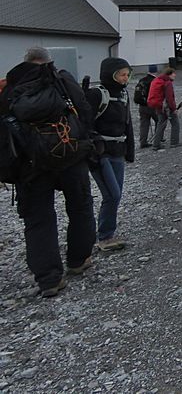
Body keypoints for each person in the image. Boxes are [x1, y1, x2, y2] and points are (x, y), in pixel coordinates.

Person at [0, 47, 96, 298]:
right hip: (69, 156)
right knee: (80, 207)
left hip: (31, 166)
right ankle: (78, 260)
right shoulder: (62, 81)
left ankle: (49, 279)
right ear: (48, 62)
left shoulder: (10, 88)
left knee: (38, 219)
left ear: (25, 62)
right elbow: (85, 113)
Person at [85, 57, 135, 252]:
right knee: (112, 194)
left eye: (127, 74)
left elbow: (128, 124)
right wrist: (94, 148)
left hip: (118, 151)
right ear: (110, 75)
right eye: (121, 74)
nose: (125, 78)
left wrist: (129, 151)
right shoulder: (97, 95)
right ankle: (104, 237)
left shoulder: (123, 95)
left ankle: (105, 234)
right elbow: (86, 124)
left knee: (116, 195)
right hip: (101, 153)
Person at [148, 67, 180, 150]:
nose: (175, 75)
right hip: (166, 108)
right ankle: (174, 142)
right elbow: (170, 98)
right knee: (175, 123)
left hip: (158, 106)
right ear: (169, 74)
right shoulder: (167, 83)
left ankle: (156, 144)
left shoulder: (157, 80)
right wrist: (173, 109)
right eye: (173, 73)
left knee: (160, 124)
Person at [134, 70, 159, 148]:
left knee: (144, 124)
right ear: (155, 72)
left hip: (142, 106)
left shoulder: (142, 80)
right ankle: (158, 139)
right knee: (159, 121)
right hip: (152, 105)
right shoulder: (154, 81)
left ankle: (143, 142)